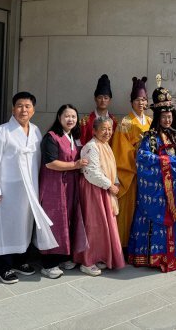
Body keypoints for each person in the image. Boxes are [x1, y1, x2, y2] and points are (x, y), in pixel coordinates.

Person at [0, 91, 58, 284]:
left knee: (24, 225)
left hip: (30, 188)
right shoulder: (2, 132)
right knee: (6, 226)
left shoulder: (35, 131)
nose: (23, 110)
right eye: (19, 106)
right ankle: (4, 266)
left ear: (33, 110)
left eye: (27, 106)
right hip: (8, 189)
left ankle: (20, 260)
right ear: (13, 109)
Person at [128, 77, 176, 272]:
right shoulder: (149, 138)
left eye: (169, 116)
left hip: (174, 192)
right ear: (158, 117)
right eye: (164, 116)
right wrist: (166, 162)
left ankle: (172, 256)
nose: (167, 120)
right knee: (153, 221)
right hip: (156, 192)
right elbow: (142, 158)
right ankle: (152, 257)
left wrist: (174, 162)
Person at [38, 104, 89, 279]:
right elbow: (50, 163)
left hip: (69, 186)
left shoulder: (73, 138)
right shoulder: (51, 137)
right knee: (54, 222)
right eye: (67, 116)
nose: (70, 119)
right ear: (59, 117)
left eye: (73, 116)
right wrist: (75, 165)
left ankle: (62, 257)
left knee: (67, 220)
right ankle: (48, 263)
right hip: (53, 186)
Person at [75, 116, 125, 275]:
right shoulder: (91, 147)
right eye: (104, 129)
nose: (107, 132)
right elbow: (92, 172)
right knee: (93, 225)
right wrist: (110, 185)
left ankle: (99, 256)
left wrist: (115, 182)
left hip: (103, 188)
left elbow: (111, 168)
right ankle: (87, 261)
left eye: (110, 129)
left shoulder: (105, 145)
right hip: (93, 189)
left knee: (102, 226)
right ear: (94, 130)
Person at [111, 77, 152, 250]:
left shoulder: (150, 122)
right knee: (129, 208)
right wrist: (138, 155)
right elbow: (120, 149)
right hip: (132, 172)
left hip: (148, 172)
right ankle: (124, 245)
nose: (141, 103)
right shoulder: (125, 122)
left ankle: (142, 246)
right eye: (137, 100)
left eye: (143, 100)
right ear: (131, 102)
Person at [80, 74, 118, 145]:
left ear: (110, 100)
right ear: (95, 99)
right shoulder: (86, 121)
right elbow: (82, 143)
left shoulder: (115, 121)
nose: (103, 100)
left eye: (106, 98)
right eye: (100, 97)